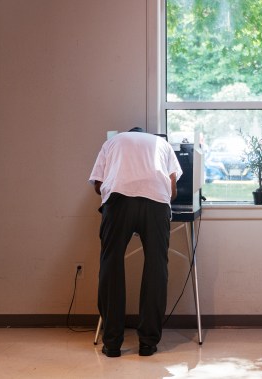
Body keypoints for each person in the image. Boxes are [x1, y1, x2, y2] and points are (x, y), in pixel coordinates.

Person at [88, 127, 182, 358]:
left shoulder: (113, 142)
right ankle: (148, 343)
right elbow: (172, 190)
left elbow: (98, 184)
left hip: (119, 200)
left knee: (111, 265)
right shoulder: (163, 144)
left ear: (128, 132)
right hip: (156, 202)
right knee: (156, 267)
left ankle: (112, 343)